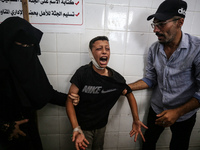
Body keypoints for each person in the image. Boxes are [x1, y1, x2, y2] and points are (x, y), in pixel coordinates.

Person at [128, 0, 200, 150]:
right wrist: (126, 87)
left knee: (178, 146)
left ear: (180, 22)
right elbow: (150, 79)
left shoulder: (196, 49)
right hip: (157, 109)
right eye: (154, 24)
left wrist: (177, 112)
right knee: (148, 143)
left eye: (161, 24)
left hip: (184, 114)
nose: (155, 30)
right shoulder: (154, 49)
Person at [0, 16, 79, 150]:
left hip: (27, 129)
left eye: (30, 46)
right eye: (21, 45)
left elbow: (45, 92)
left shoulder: (30, 64)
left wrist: (71, 99)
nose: (26, 50)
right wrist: (4, 127)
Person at [66, 36, 148, 150]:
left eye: (107, 49)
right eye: (99, 48)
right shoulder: (82, 73)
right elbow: (69, 101)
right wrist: (75, 127)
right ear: (91, 53)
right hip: (82, 127)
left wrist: (136, 119)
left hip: (101, 127)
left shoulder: (116, 79)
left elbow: (129, 93)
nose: (104, 51)